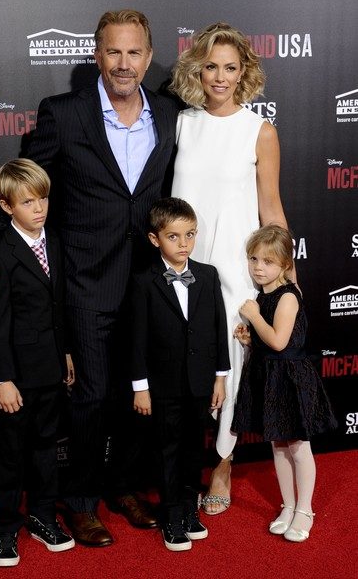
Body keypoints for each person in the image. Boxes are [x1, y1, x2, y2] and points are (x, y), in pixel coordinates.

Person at [0, 10, 178, 546]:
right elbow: (23, 185)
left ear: (149, 57)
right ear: (97, 55)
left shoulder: (170, 113)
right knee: (90, 397)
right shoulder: (63, 113)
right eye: (114, 52)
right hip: (85, 281)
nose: (124, 63)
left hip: (149, 280)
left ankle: (123, 486)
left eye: (134, 52)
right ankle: (81, 501)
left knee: (139, 391)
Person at [170, 22, 291, 515]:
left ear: (245, 72)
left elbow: (272, 210)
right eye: (211, 66)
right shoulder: (182, 123)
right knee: (181, 367)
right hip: (180, 268)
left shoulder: (259, 131)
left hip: (234, 272)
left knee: (233, 372)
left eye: (230, 67)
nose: (220, 77)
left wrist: (287, 285)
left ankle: (222, 465)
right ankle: (178, 468)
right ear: (197, 69)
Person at [0, 159, 75, 567]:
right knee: (11, 454)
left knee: (45, 449)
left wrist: (65, 352)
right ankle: (5, 528)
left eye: (43, 198)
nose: (39, 208)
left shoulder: (53, 239)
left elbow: (58, 307)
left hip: (50, 368)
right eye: (27, 202)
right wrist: (3, 379)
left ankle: (42, 516)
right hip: (17, 376)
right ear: (7, 207)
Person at [130, 198, 230, 551]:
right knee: (167, 450)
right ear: (155, 239)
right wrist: (140, 387)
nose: (184, 243)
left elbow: (219, 328)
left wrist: (220, 377)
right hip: (163, 385)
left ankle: (189, 509)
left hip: (201, 381)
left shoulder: (208, 275)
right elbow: (136, 340)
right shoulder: (143, 281)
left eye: (190, 234)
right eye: (173, 237)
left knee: (193, 449)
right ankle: (171, 516)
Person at [231, 225, 337, 542]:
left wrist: (255, 317)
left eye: (268, 261)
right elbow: (270, 342)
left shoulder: (288, 296)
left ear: (285, 264)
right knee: (278, 445)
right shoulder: (262, 296)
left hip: (291, 379)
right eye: (254, 259)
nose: (258, 267)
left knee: (298, 448)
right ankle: (288, 505)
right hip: (270, 377)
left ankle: (305, 509)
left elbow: (279, 341)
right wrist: (251, 339)